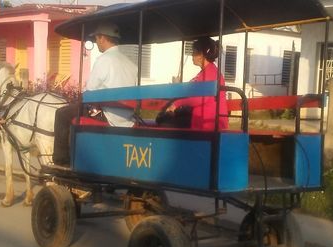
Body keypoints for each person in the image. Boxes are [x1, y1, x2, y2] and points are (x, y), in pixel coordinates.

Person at [53, 22, 137, 166]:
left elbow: (90, 92)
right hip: (127, 117)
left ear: (102, 38)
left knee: (62, 113)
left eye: (97, 39)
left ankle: (61, 160)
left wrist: (80, 98)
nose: (96, 42)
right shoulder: (131, 64)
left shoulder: (104, 60)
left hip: (109, 114)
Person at [157, 36, 228, 130]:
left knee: (164, 122)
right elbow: (192, 89)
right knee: (163, 119)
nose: (192, 55)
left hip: (208, 122)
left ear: (202, 55)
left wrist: (177, 104)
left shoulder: (210, 72)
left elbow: (199, 98)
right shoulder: (206, 72)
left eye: (194, 51)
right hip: (201, 117)